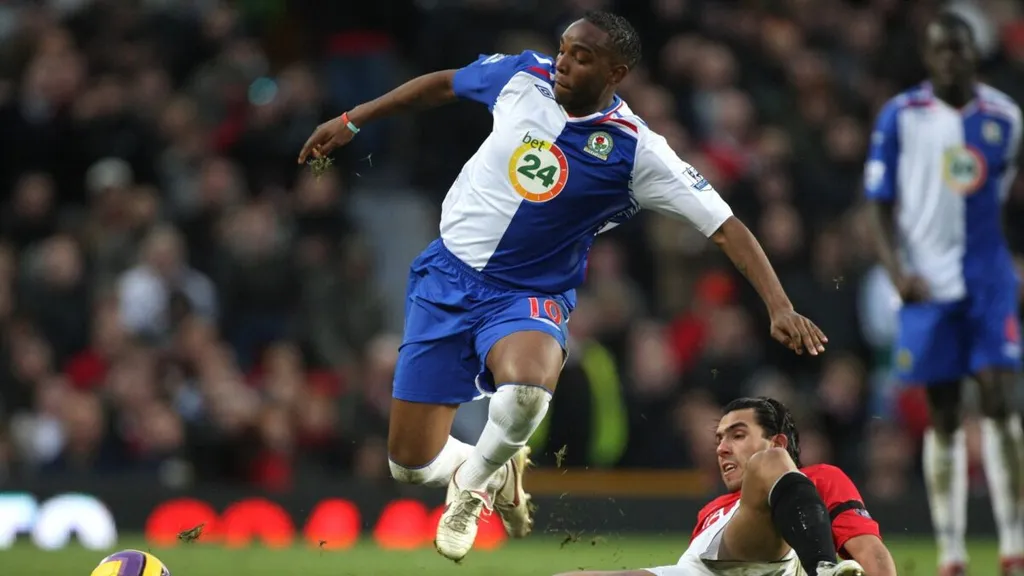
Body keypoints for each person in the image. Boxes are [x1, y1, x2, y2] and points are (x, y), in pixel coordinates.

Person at [298, 11, 828, 563]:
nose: (564, 64)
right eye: (564, 50)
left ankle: (473, 488)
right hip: (445, 279)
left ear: (616, 72)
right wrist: (353, 119)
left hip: (527, 294)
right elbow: (443, 83)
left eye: (582, 57)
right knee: (408, 464)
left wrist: (779, 305)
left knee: (528, 387)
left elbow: (725, 226)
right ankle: (496, 465)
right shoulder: (523, 77)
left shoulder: (637, 151)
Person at [864, 12, 1024, 576]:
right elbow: (879, 204)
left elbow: (1012, 198)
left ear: (974, 54)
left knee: (1004, 402)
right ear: (929, 57)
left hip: (988, 279)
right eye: (942, 50)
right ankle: (952, 552)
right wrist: (896, 271)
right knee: (945, 412)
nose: (952, 59)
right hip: (927, 284)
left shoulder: (1006, 117)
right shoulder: (901, 117)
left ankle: (1013, 545)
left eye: (960, 49)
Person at [555, 397, 897, 576]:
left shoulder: (819, 478)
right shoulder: (711, 510)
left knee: (770, 463)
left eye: (737, 435)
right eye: (719, 438)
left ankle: (823, 568)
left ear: (776, 439)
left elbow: (872, 555)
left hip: (768, 565)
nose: (721, 448)